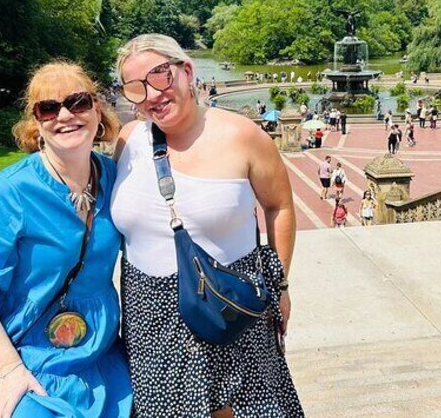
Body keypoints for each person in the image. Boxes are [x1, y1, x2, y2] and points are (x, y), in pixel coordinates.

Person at [111, 34, 302, 417]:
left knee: (240, 407)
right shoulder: (129, 140)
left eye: (160, 76)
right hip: (148, 314)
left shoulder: (242, 135)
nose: (152, 94)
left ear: (187, 70)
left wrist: (280, 284)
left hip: (227, 301)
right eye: (136, 88)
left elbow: (279, 205)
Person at [0, 61, 132, 417]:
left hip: (101, 358)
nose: (65, 115)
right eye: (49, 108)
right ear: (36, 123)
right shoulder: (10, 193)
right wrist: (11, 370)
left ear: (97, 110)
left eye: (78, 102)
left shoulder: (111, 176)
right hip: (25, 357)